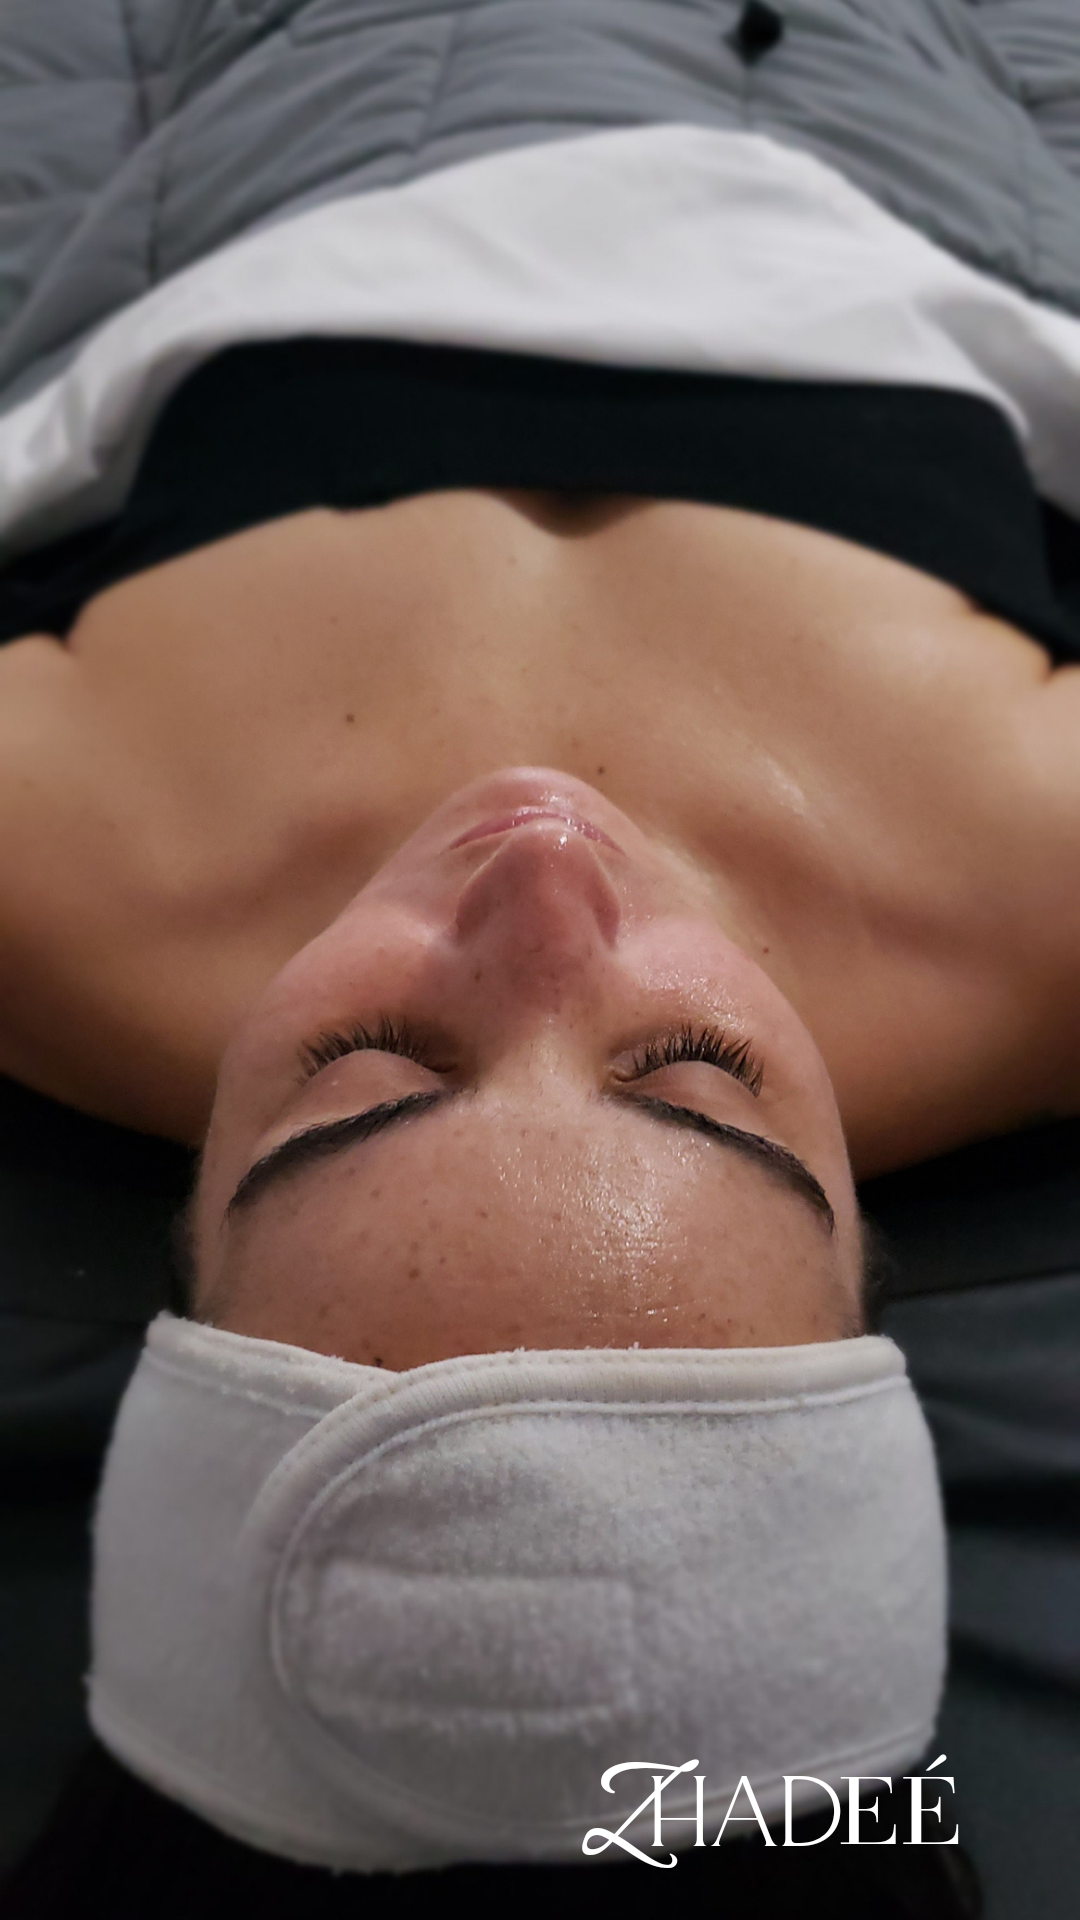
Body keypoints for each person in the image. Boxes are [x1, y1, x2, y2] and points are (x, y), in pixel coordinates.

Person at [0, 1, 1078, 1911]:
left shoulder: (53, 901)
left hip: (324, 158)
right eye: (698, 1073)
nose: (546, 880)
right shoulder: (1036, 930)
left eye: (372, 1065)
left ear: (185, 1233)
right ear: (867, 1251)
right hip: (843, 166)